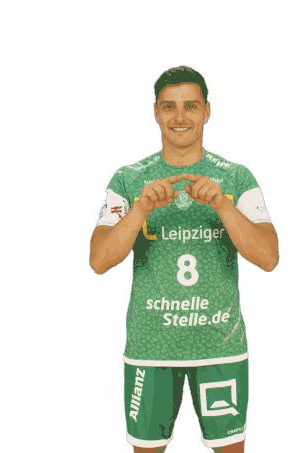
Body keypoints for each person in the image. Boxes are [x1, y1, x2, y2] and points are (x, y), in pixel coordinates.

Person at [89, 65, 279, 453]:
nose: (180, 117)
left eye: (190, 105)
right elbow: (99, 259)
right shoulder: (128, 178)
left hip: (220, 346)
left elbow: (269, 257)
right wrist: (140, 209)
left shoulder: (236, 176)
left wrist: (222, 206)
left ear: (208, 110)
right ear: (155, 112)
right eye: (168, 106)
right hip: (151, 348)